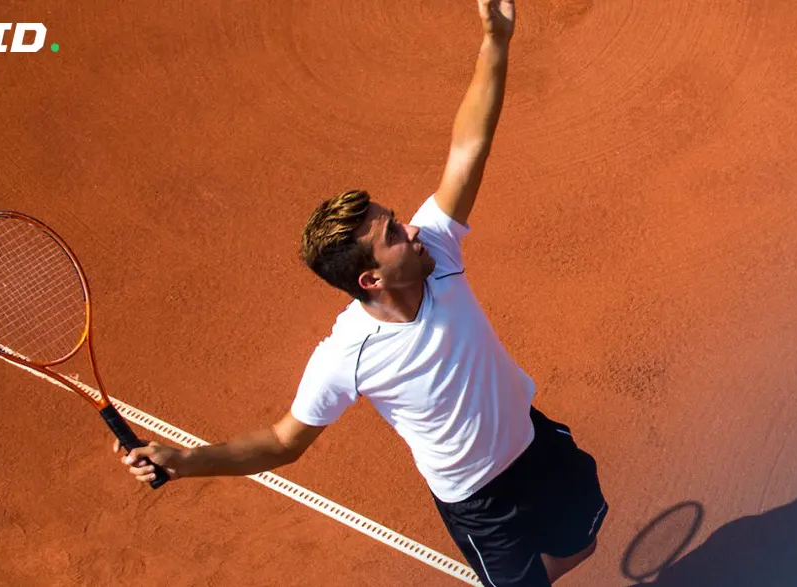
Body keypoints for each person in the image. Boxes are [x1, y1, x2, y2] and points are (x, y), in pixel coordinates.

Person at [116, 1, 607, 584]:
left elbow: (469, 144)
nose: (416, 229)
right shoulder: (346, 356)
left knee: (584, 542)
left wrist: (495, 40)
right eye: (395, 233)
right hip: (480, 504)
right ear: (370, 278)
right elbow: (281, 442)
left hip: (534, 447)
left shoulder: (437, 252)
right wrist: (185, 462)